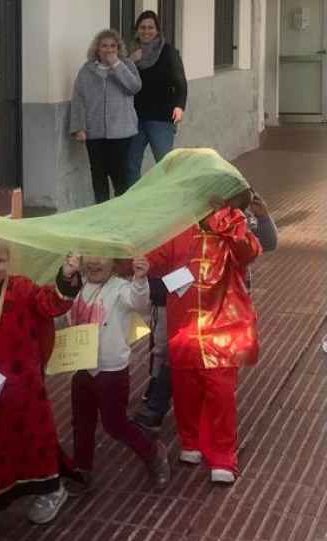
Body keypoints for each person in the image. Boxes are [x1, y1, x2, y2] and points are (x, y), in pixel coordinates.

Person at [133, 189, 277, 430]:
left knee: (213, 362)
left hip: (223, 307)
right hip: (183, 305)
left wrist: (262, 217)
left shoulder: (238, 221)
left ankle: (170, 409)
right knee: (173, 354)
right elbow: (159, 257)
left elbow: (267, 243)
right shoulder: (180, 224)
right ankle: (158, 403)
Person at [145, 190, 262, 484]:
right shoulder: (177, 226)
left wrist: (227, 223)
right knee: (186, 386)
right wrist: (138, 259)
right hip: (184, 326)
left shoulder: (233, 222)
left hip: (223, 323)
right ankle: (191, 441)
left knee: (220, 390)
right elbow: (156, 260)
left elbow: (250, 252)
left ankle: (223, 455)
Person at [0, 240, 81, 535]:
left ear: (10, 261)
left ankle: (51, 491)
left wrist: (67, 276)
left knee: (35, 441)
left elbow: (51, 303)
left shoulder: (22, 288)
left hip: (25, 389)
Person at [66, 256, 169, 491]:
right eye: (90, 256)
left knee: (115, 423)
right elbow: (65, 313)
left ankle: (153, 453)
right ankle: (82, 467)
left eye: (101, 257)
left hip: (111, 369)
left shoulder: (121, 288)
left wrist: (140, 279)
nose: (94, 262)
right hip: (81, 365)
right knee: (82, 421)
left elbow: (138, 302)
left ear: (114, 263)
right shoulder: (78, 285)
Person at [69, 29, 142, 204]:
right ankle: (101, 211)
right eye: (104, 46)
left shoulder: (126, 66)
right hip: (95, 132)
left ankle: (122, 211)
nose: (108, 50)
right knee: (98, 174)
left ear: (118, 48)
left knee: (119, 175)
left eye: (112, 46)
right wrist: (79, 127)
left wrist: (116, 65)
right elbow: (78, 99)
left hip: (121, 132)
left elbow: (134, 87)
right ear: (97, 49)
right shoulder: (87, 70)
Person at [125, 10, 188, 186]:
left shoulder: (168, 51)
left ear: (157, 30)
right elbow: (119, 76)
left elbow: (180, 81)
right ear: (137, 30)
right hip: (134, 118)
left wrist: (179, 106)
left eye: (150, 27)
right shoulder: (130, 52)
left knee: (165, 165)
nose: (146, 31)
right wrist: (131, 60)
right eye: (142, 27)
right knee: (130, 165)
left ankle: (168, 201)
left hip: (161, 118)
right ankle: (133, 204)